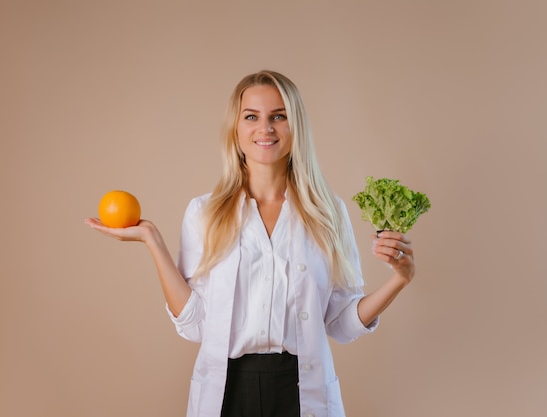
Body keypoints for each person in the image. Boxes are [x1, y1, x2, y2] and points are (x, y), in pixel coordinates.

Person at [85, 70, 415, 417]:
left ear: (295, 126)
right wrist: (152, 240)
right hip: (228, 391)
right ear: (237, 130)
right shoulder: (205, 212)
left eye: (278, 116)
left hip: (302, 390)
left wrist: (399, 279)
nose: (266, 128)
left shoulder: (329, 212)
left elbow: (340, 323)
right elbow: (196, 324)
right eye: (252, 117)